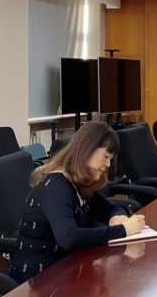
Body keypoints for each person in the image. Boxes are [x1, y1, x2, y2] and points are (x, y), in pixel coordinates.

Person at [10, 121, 147, 284]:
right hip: (37, 282)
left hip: (65, 270)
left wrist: (116, 218)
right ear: (88, 150)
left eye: (110, 159)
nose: (108, 164)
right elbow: (69, 237)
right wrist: (123, 230)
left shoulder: (77, 183)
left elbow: (110, 208)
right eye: (105, 157)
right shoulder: (56, 186)